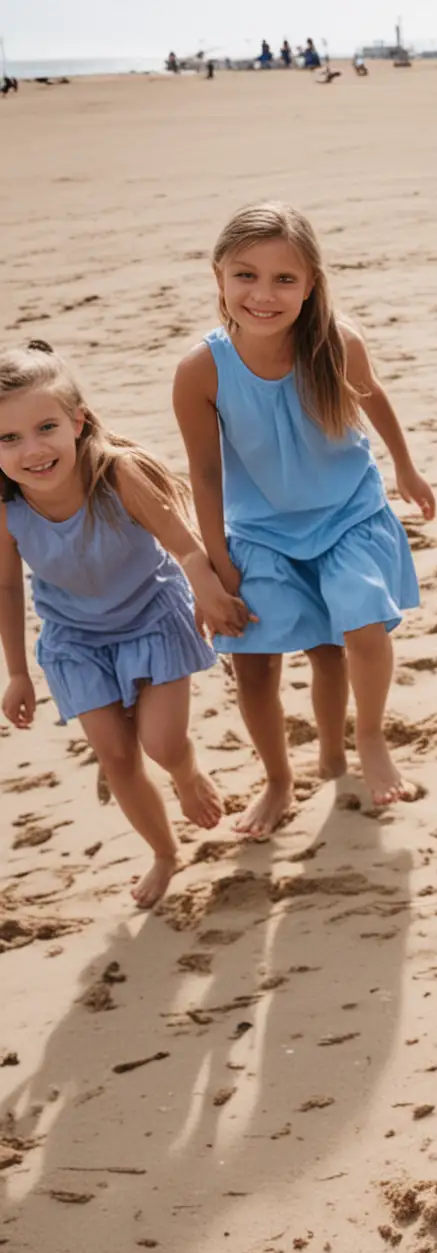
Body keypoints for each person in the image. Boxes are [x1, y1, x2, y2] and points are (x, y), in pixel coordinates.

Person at [173, 202, 434, 834]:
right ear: (218, 277)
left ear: (311, 283)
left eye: (284, 279)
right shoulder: (200, 369)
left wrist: (405, 465)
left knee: (357, 626)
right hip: (258, 531)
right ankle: (279, 779)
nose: (264, 294)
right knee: (257, 661)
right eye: (246, 276)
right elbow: (205, 474)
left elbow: (374, 400)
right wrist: (217, 560)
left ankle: (366, 738)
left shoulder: (335, 342)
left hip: (346, 514)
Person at [0, 343, 232, 908]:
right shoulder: (7, 510)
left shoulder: (116, 474)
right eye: (8, 438)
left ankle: (185, 771)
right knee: (117, 756)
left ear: (77, 421)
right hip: (76, 640)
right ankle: (164, 852)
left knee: (161, 742)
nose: (32, 450)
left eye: (46, 427)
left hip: (152, 616)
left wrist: (208, 590)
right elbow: (7, 588)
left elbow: (185, 546)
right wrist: (18, 674)